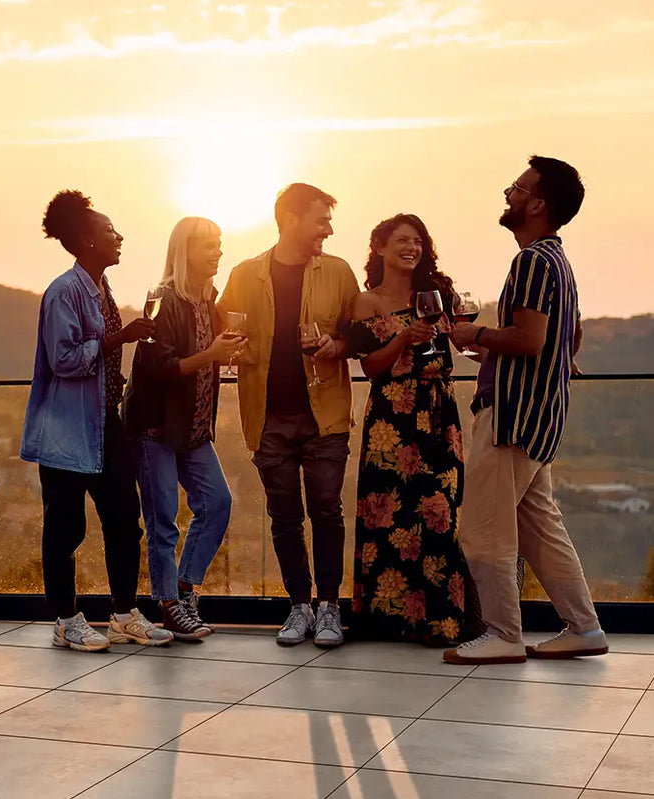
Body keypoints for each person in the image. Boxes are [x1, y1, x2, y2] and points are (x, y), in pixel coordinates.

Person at [445, 156, 606, 663]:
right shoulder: (559, 262)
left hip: (513, 417)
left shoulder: (533, 261)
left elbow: (532, 339)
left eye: (516, 187)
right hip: (542, 416)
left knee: (482, 531)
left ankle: (502, 635)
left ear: (536, 203)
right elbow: (566, 334)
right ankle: (584, 628)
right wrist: (493, 348)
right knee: (540, 530)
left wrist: (476, 334)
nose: (508, 194)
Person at [20, 190, 174, 651]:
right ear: (87, 241)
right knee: (66, 528)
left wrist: (129, 337)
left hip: (107, 426)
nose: (119, 236)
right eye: (110, 231)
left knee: (125, 521)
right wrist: (118, 336)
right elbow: (65, 360)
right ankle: (66, 620)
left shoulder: (99, 288)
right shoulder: (64, 291)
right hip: (68, 432)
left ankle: (124, 613)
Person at [219, 183, 360, 647]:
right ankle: (299, 606)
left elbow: (355, 335)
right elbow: (222, 327)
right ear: (289, 218)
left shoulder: (339, 273)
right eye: (322, 219)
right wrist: (229, 350)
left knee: (327, 512)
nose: (329, 229)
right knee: (284, 518)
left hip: (326, 417)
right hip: (268, 419)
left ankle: (330, 608)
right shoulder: (244, 274)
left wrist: (335, 345)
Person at [344, 214, 482, 645]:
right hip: (392, 415)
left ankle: (443, 621)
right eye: (402, 240)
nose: (413, 247)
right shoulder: (366, 302)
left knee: (440, 512)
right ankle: (387, 621)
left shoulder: (440, 293)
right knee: (387, 513)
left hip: (439, 412)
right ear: (380, 247)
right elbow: (369, 367)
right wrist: (401, 341)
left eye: (418, 240)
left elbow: (464, 341)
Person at [123, 217, 245, 640]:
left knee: (217, 503)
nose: (217, 252)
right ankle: (169, 607)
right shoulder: (161, 299)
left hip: (193, 429)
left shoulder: (210, 302)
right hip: (155, 428)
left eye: (219, 244)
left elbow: (207, 359)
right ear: (185, 250)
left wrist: (227, 354)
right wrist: (212, 353)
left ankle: (183, 587)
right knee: (163, 522)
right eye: (209, 245)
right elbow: (156, 367)